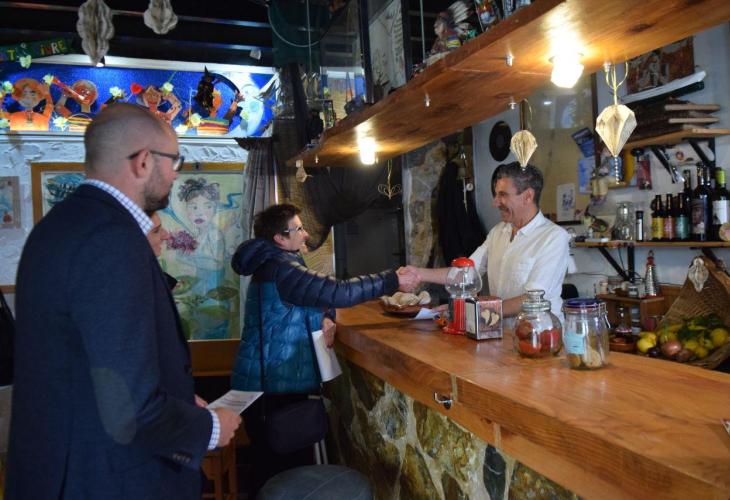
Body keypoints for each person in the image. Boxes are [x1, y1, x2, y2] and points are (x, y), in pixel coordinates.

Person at [6, 102, 241, 499]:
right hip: (103, 477)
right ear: (144, 162)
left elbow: (95, 364)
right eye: (174, 160)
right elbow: (130, 407)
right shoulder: (111, 240)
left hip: (64, 465)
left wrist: (176, 398)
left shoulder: (60, 226)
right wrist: (212, 427)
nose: (176, 173)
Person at [230, 203, 418, 493]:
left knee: (279, 473)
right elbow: (339, 291)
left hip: (270, 383)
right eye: (298, 229)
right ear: (280, 238)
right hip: (274, 387)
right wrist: (392, 280)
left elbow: (316, 297)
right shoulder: (282, 269)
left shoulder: (277, 263)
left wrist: (326, 316)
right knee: (281, 477)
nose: (305, 234)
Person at [407, 162, 570, 321]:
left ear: (528, 196)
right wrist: (417, 273)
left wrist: (470, 312)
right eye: (496, 195)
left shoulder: (554, 237)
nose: (495, 203)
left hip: (539, 335)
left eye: (503, 195)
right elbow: (466, 274)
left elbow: (532, 300)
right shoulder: (497, 232)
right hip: (499, 331)